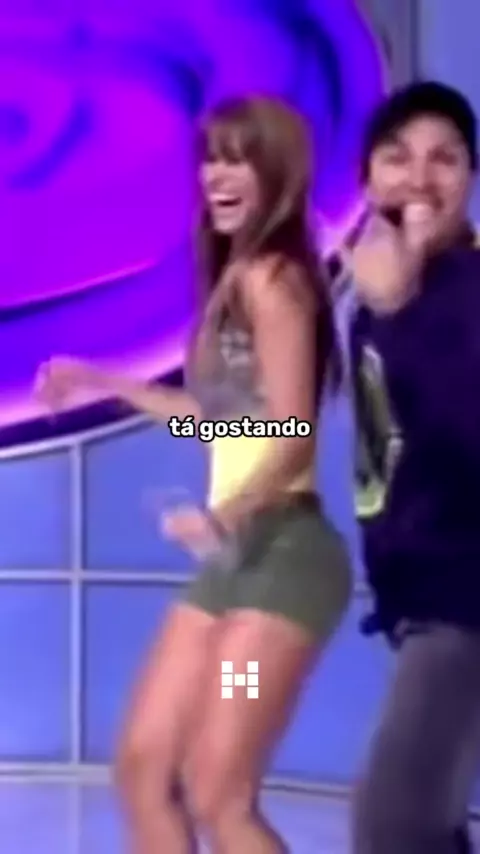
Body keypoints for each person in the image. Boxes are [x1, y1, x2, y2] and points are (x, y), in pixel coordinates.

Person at [36, 96, 351, 854]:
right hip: (234, 568)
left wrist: (224, 517)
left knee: (219, 790)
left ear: (278, 174)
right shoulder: (234, 281)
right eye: (212, 158)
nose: (218, 175)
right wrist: (104, 382)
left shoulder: (273, 279)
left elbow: (290, 430)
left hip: (281, 566)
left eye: (240, 159)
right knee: (145, 769)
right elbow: (218, 420)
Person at [345, 80, 480, 853]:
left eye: (445, 159)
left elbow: (280, 428)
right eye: (398, 158)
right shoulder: (375, 293)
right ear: (366, 178)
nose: (420, 179)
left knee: (393, 824)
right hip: (413, 593)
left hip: (458, 594)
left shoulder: (450, 292)